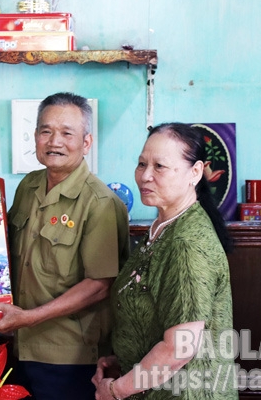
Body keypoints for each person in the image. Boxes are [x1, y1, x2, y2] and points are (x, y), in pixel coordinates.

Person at [0, 92, 130, 400]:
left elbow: (100, 285)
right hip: (16, 346)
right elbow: (0, 253)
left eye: (66, 133)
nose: (54, 141)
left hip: (68, 356)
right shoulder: (28, 187)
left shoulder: (100, 203)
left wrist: (29, 318)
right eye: (46, 131)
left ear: (86, 142)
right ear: (35, 138)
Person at [92, 122, 237, 399]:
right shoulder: (165, 226)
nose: (145, 176)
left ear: (195, 172)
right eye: (141, 164)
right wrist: (126, 357)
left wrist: (116, 390)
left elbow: (179, 347)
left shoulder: (186, 244)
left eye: (160, 167)